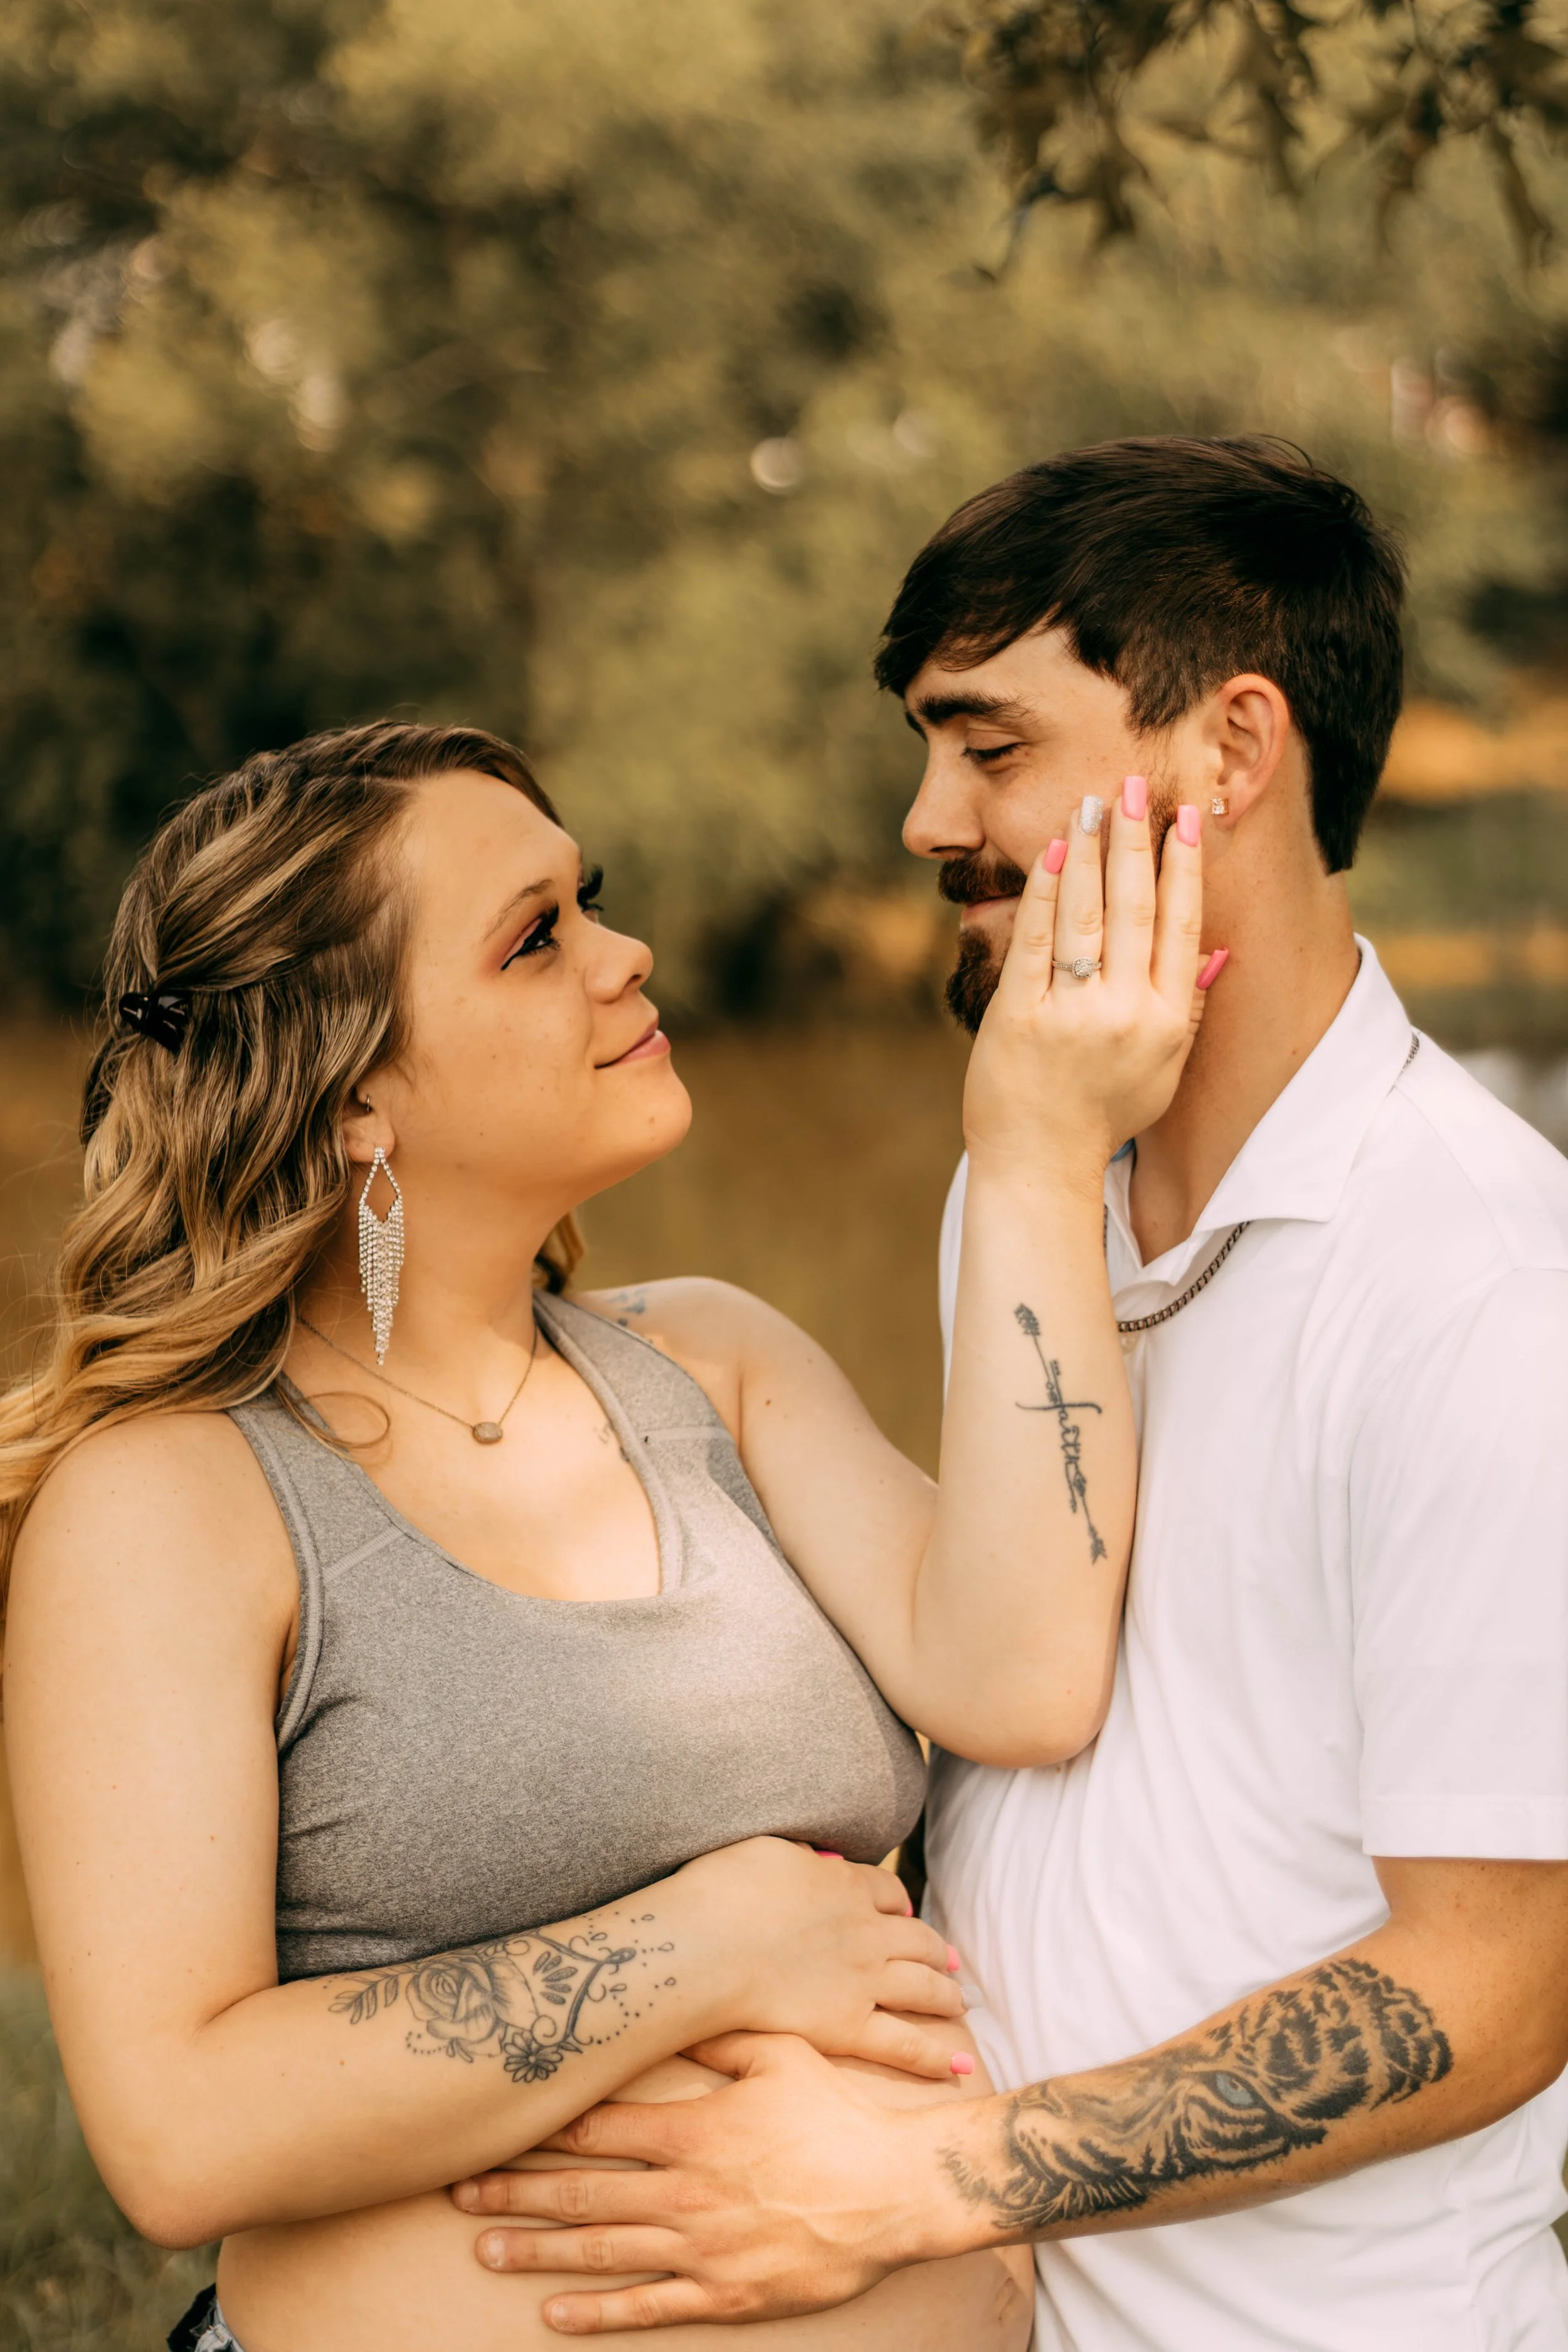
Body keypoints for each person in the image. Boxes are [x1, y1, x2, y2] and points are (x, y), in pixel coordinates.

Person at [450, 437, 1568, 2352]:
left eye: (988, 747)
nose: (921, 817)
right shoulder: (1024, 1169)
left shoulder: (1479, 1276)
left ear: (1228, 752)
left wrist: (924, 2172)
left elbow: (1497, 1980)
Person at [2, 718, 1210, 2352]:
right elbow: (176, 2128)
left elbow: (1020, 1670)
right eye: (535, 936)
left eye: (594, 899)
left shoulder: (711, 1357)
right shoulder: (175, 1498)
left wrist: (1035, 1151)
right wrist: (707, 1944)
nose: (627, 953)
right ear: (356, 1093)